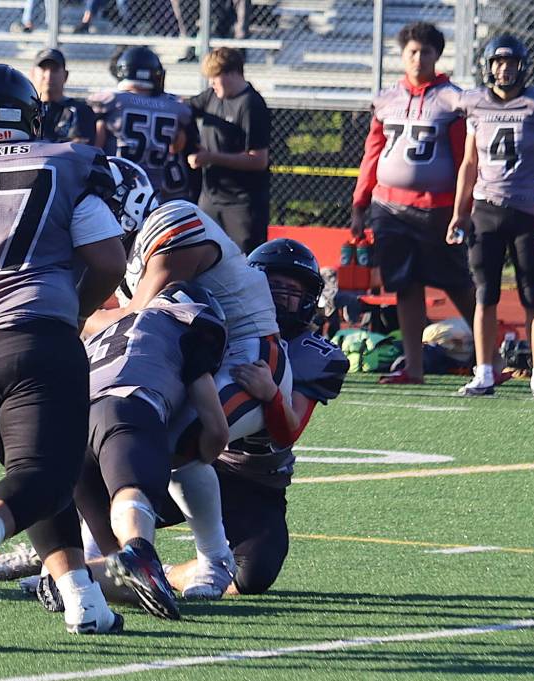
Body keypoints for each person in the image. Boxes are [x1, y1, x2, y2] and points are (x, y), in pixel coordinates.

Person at [0, 64, 128, 635]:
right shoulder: (63, 161)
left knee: (37, 475)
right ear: (28, 113)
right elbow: (109, 261)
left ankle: (81, 599)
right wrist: (79, 309)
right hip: (33, 339)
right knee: (44, 474)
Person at [83, 156, 289, 600]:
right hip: (194, 364)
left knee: (173, 439)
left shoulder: (172, 222)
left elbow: (137, 315)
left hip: (248, 360)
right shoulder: (124, 255)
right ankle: (90, 562)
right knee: (100, 443)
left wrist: (71, 314)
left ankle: (213, 561)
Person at [165, 238, 348, 596]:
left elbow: (287, 431)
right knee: (123, 491)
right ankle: (63, 556)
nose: (281, 296)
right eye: (272, 285)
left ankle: (165, 573)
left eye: (291, 289)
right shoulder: (218, 329)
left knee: (252, 575)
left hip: (256, 481)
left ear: (309, 298)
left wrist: (271, 394)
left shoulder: (315, 354)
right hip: (200, 459)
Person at [74, 281, 229, 620]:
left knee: (117, 562)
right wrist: (199, 453)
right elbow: (217, 430)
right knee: (133, 499)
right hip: (126, 406)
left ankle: (71, 580)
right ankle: (139, 552)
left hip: (68, 421)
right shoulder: (189, 325)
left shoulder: (114, 327)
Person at [350, 21, 477, 386]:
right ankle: (415, 367)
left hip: (437, 207)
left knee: (457, 282)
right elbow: (372, 154)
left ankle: (490, 359)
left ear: (438, 56)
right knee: (404, 285)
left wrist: (462, 209)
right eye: (412, 52)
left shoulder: (453, 99)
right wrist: (360, 203)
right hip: (388, 207)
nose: (418, 58)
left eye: (426, 52)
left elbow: (465, 159)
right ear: (402, 55)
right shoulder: (386, 98)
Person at [448, 34, 534, 399]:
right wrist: (459, 212)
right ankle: (484, 372)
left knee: (532, 295)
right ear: (488, 66)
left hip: (527, 211)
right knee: (485, 294)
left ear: (522, 66)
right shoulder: (476, 105)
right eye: (498, 62)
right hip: (485, 211)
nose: (505, 69)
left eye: (511, 62)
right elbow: (469, 163)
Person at [187, 47, 271, 254]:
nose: (211, 83)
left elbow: (259, 160)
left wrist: (210, 157)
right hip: (210, 198)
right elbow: (184, 109)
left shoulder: (251, 105)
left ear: (233, 73)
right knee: (202, 258)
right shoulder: (212, 96)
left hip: (241, 203)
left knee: (245, 262)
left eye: (215, 77)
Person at [88, 47, 194, 201]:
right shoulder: (175, 106)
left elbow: (94, 145)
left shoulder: (113, 100)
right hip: (155, 189)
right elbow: (177, 144)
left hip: (118, 186)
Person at [30, 48, 97, 146]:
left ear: (65, 75)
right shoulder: (24, 110)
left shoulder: (80, 110)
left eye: (54, 70)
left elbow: (79, 149)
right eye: (43, 69)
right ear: (32, 74)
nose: (48, 75)